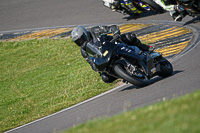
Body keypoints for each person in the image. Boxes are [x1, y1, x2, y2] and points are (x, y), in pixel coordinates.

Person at [71, 25, 154, 83]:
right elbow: (91, 63)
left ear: (85, 34)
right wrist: (97, 67)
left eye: (81, 39)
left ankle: (143, 47)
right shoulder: (84, 51)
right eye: (78, 42)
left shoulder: (95, 31)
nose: (80, 42)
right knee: (105, 78)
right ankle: (125, 75)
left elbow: (112, 27)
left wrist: (116, 33)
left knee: (130, 36)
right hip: (105, 58)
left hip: (113, 44)